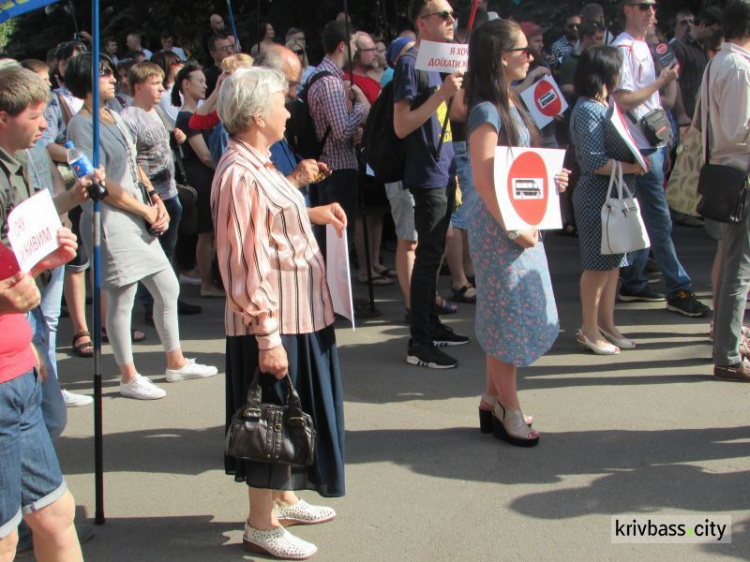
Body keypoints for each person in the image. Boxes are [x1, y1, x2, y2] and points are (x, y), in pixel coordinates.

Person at [212, 66, 346, 560]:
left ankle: (283, 498)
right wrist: (266, 337)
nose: (288, 110)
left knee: (290, 412)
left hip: (299, 313)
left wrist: (313, 214)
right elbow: (244, 260)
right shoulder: (238, 172)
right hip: (273, 320)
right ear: (254, 114)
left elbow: (271, 221)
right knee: (269, 418)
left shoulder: (260, 163)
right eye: (280, 102)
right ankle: (260, 523)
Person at [65, 54, 218, 400]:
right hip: (110, 219)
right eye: (102, 73)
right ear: (85, 81)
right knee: (123, 300)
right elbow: (99, 184)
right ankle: (128, 375)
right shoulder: (81, 126)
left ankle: (175, 361)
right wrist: (145, 210)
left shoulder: (115, 116)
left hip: (137, 213)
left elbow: (134, 165)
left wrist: (154, 198)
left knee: (168, 287)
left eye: (108, 71)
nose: (109, 78)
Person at [467, 19, 569, 447]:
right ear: (500, 56)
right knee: (508, 317)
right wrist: (515, 227)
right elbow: (484, 176)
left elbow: (512, 171)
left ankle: (493, 399)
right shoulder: (487, 109)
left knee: (505, 312)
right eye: (523, 50)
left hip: (512, 225)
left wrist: (549, 182)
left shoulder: (504, 101)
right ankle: (507, 406)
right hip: (501, 229)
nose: (531, 56)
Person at [0, 63, 84, 562]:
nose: (43, 126)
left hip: (18, 372)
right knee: (5, 537)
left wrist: (47, 259)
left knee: (55, 513)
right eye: (34, 116)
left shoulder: (18, 163)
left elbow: (15, 261)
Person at [613, 0, 711, 317]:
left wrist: (665, 142)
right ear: (627, 9)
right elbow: (622, 100)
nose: (651, 12)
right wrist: (661, 83)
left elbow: (653, 101)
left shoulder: (645, 46)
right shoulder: (624, 48)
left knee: (645, 216)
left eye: (653, 7)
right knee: (657, 219)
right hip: (637, 147)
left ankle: (633, 280)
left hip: (651, 144)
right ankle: (676, 287)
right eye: (643, 6)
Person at [570, 46, 646, 355]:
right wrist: (632, 166)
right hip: (596, 196)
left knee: (613, 264)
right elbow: (591, 160)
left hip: (613, 195)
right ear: (605, 73)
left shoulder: (605, 104)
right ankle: (589, 329)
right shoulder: (589, 108)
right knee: (597, 266)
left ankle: (607, 324)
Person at [702, 0, 750, 381]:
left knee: (736, 264)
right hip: (740, 173)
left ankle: (728, 345)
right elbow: (739, 130)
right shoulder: (736, 66)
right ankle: (728, 353)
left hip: (729, 171)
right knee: (739, 267)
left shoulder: (721, 61)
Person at [308, 20, 370, 245]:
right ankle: (335, 281)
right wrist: (361, 106)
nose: (358, 48)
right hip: (338, 168)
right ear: (342, 45)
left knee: (332, 237)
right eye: (354, 42)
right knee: (339, 238)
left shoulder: (319, 77)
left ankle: (331, 279)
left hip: (328, 167)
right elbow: (342, 131)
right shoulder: (331, 82)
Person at [174, 62, 224, 298]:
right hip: (201, 178)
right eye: (200, 81)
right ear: (185, 84)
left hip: (208, 175)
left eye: (206, 81)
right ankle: (206, 282)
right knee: (206, 232)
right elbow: (204, 155)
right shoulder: (185, 117)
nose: (205, 85)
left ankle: (210, 279)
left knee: (211, 231)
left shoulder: (197, 113)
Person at [673, 6, 723, 118]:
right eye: (713, 31)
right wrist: (681, 114)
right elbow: (673, 81)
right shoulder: (679, 47)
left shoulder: (709, 48)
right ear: (702, 24)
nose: (714, 35)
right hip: (688, 117)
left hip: (706, 116)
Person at [152, 50, 184, 127]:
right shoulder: (163, 95)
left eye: (180, 61)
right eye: (176, 62)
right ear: (165, 66)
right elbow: (176, 121)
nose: (181, 65)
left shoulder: (184, 86)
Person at [204, 33, 236, 98]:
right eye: (224, 48)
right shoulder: (209, 76)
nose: (229, 51)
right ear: (212, 53)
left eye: (230, 47)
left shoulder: (239, 69)